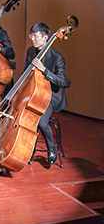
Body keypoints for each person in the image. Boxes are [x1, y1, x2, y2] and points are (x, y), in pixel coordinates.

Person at [26, 22, 71, 165]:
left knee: (41, 121)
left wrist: (45, 71)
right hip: (34, 92)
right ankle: (27, 148)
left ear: (45, 38)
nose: (32, 39)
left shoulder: (57, 57)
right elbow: (25, 72)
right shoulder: (30, 51)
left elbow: (63, 82)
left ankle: (51, 149)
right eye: (31, 35)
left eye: (36, 36)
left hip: (51, 95)